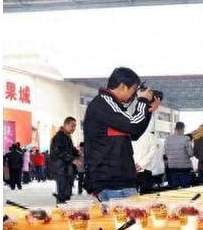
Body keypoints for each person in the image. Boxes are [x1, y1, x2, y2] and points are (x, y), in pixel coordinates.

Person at [83, 67, 160, 202]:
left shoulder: (111, 105)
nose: (134, 95)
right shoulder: (104, 103)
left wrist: (147, 111)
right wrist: (142, 101)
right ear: (123, 86)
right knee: (128, 221)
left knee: (125, 221)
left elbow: (134, 133)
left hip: (116, 180)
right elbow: (133, 125)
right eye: (134, 90)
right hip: (113, 182)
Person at [50, 117, 79, 203]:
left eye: (75, 126)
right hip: (61, 169)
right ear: (65, 125)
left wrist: (78, 153)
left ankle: (65, 210)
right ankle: (60, 211)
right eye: (72, 126)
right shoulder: (59, 137)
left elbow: (70, 150)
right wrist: (72, 159)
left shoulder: (66, 136)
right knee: (62, 195)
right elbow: (59, 152)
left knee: (66, 194)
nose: (74, 128)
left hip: (66, 168)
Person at [164, 122, 194, 188]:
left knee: (174, 190)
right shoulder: (186, 139)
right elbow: (191, 153)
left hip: (172, 168)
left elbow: (165, 153)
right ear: (183, 129)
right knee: (185, 190)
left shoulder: (168, 139)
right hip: (184, 169)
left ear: (175, 128)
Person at [132, 124, 159, 193]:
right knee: (146, 197)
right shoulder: (151, 137)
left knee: (131, 198)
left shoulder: (129, 134)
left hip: (131, 170)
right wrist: (140, 165)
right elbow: (152, 153)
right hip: (145, 170)